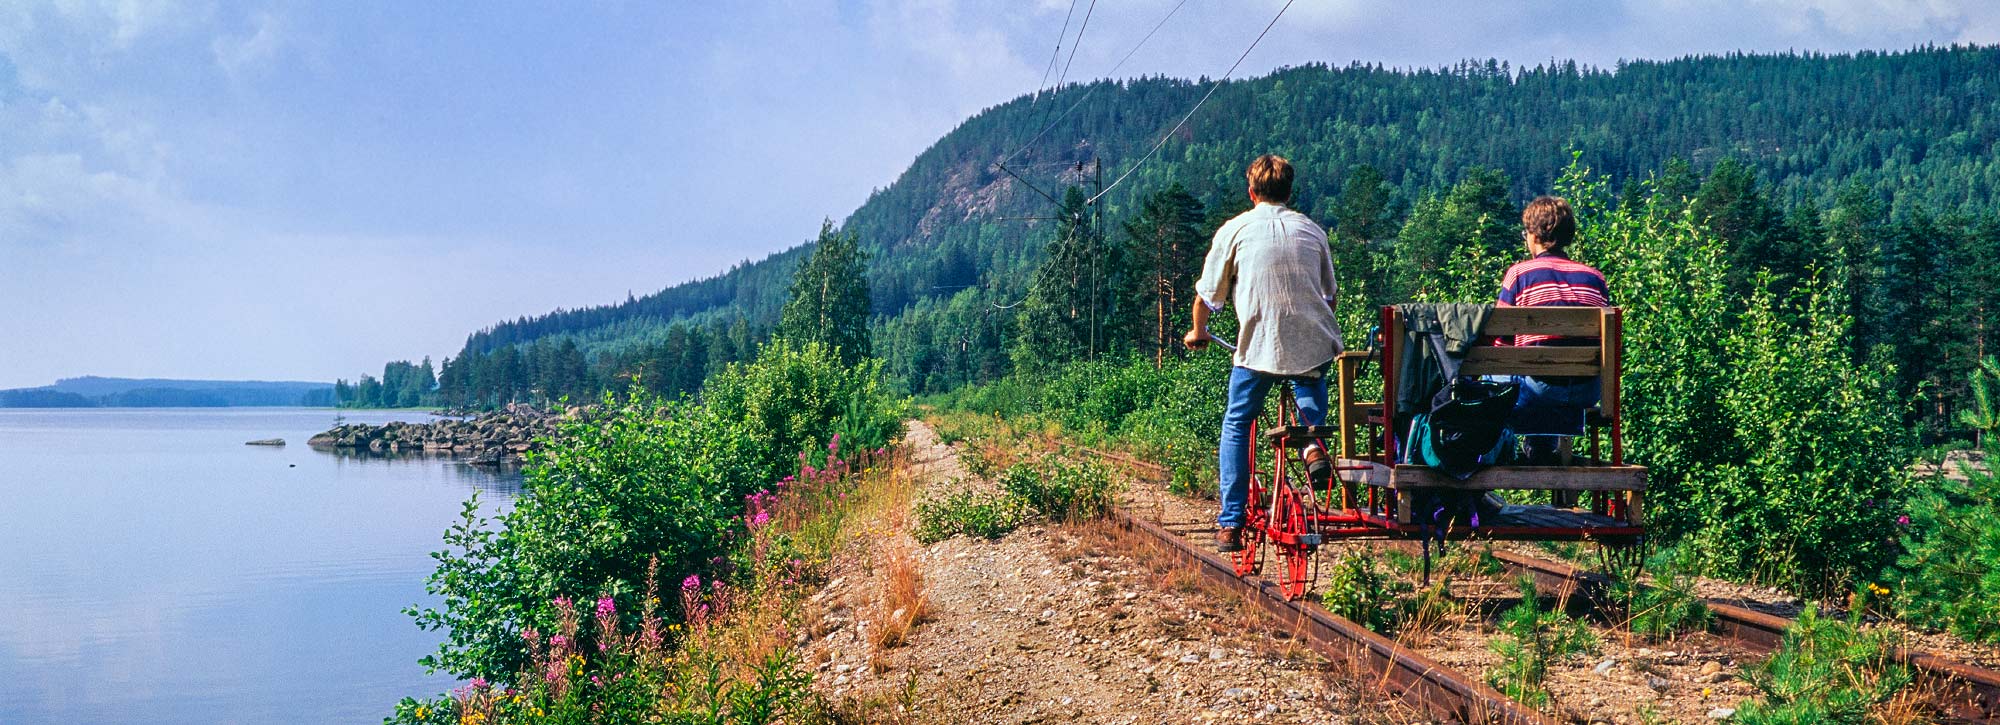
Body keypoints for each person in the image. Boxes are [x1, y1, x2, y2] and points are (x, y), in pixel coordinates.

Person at [1185, 155, 1344, 553]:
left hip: (1258, 348)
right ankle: (1312, 446)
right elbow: (1330, 296)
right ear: (1290, 193)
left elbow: (1207, 296)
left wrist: (1198, 332)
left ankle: (1231, 522)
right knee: (1310, 401)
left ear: (1251, 191)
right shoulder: (1312, 230)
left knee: (1237, 423)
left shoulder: (1235, 230)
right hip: (1312, 343)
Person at [1493, 196, 1610, 465]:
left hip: (1539, 390)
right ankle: (1540, 446)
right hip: (1587, 391)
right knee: (1538, 369)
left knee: (1492, 370)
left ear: (1534, 236)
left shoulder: (1519, 274)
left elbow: (1500, 342)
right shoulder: (1594, 278)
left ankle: (1484, 458)